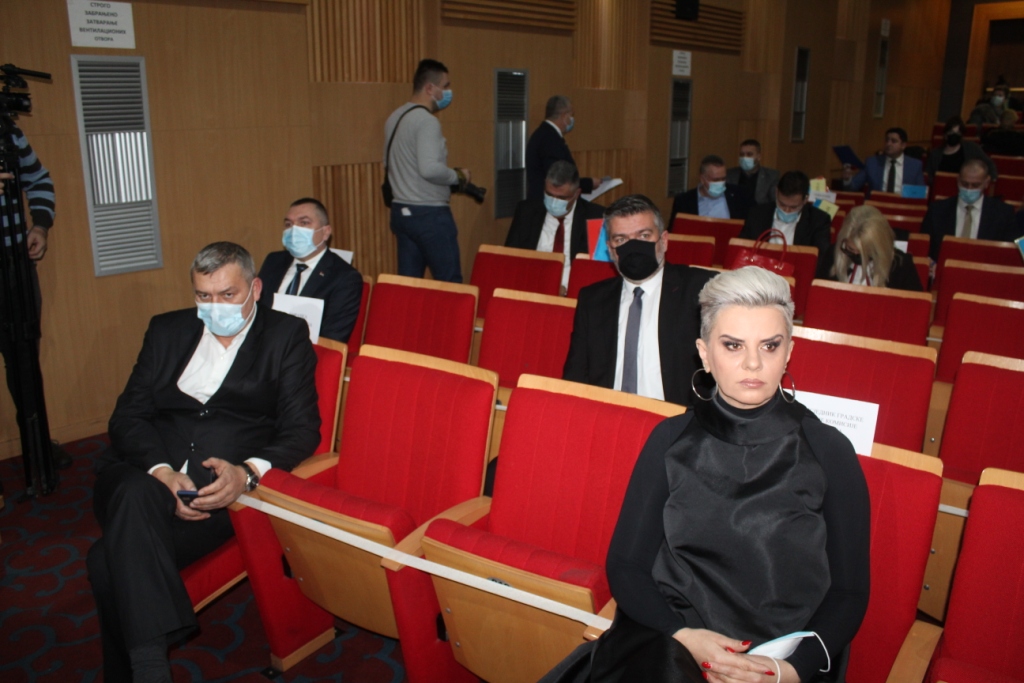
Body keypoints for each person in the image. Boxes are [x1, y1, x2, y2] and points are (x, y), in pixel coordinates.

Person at [543, 267, 870, 683]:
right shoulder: (670, 440)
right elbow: (626, 566)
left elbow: (849, 592)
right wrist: (684, 638)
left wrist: (788, 670)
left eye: (770, 346)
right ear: (704, 353)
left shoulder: (829, 450)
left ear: (789, 351)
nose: (753, 363)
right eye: (733, 345)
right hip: (671, 643)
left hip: (786, 658)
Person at [86, 242, 321, 683]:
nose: (215, 307)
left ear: (255, 288)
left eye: (228, 295)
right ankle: (153, 670)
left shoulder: (285, 335)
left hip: (215, 496)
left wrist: (246, 474)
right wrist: (162, 472)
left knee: (106, 562)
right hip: (141, 474)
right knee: (136, 492)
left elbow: (302, 429)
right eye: (203, 296)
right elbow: (127, 417)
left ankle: (137, 672)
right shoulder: (166, 330)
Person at [563, 194, 715, 406]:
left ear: (664, 240)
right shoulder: (593, 300)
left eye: (643, 236)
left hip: (679, 419)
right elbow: (576, 376)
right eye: (621, 240)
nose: (633, 247)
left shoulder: (701, 290)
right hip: (608, 415)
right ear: (610, 249)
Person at [0, 123, 56, 487]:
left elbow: (38, 180)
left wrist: (40, 226)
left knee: (24, 363)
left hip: (14, 265)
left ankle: (37, 452)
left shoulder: (7, 132)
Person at [384, 58, 470, 283]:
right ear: (430, 88)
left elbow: (389, 163)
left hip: (401, 211)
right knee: (450, 284)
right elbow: (429, 169)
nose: (448, 91)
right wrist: (458, 176)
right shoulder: (427, 121)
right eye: (445, 85)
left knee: (410, 286)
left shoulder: (395, 117)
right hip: (430, 215)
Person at [258, 197, 363, 343]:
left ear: (325, 232)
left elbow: (333, 337)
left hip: (307, 351)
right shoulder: (274, 261)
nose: (294, 230)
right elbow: (256, 311)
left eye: (304, 223)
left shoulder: (345, 277)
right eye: (288, 224)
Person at [505, 161, 604, 294]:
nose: (554, 202)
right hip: (531, 292)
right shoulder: (526, 212)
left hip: (577, 296)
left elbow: (599, 271)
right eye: (549, 195)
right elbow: (510, 259)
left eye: (562, 198)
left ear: (577, 193)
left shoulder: (596, 217)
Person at [921, 159, 1020, 261]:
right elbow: (924, 248)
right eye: (964, 184)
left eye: (975, 185)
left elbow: (1011, 254)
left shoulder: (1003, 213)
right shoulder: (937, 210)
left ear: (986, 182)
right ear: (958, 180)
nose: (969, 189)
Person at [816, 206, 922, 291]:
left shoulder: (901, 265)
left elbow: (914, 306)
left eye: (865, 252)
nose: (856, 255)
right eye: (850, 249)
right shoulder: (832, 254)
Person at [739, 170, 831, 259]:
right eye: (782, 204)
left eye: (793, 207)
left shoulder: (819, 220)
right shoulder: (757, 214)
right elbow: (741, 248)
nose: (786, 211)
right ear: (776, 193)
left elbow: (821, 258)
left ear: (805, 199)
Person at [525, 95, 595, 201]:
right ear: (564, 116)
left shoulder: (543, 134)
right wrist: (589, 184)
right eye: (571, 115)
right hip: (548, 202)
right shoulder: (550, 139)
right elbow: (558, 178)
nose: (572, 119)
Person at [842, 127, 925, 194]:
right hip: (876, 205)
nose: (888, 144)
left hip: (902, 205)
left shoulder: (915, 165)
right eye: (887, 140)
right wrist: (847, 180)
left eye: (893, 141)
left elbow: (920, 193)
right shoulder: (872, 163)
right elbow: (853, 187)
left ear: (903, 145)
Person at [671, 155, 753, 222]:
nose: (720, 183)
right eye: (715, 180)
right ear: (702, 179)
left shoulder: (740, 195)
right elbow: (673, 231)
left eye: (723, 179)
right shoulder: (684, 201)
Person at [925, 115, 997, 180]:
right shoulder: (935, 154)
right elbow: (929, 176)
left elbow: (989, 165)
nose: (954, 135)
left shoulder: (972, 148)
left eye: (958, 133)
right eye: (951, 132)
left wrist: (991, 179)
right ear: (945, 135)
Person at [726, 139, 779, 205]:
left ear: (759, 157)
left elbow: (774, 202)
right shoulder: (730, 174)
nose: (744, 157)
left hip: (759, 210)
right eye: (742, 154)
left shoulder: (771, 176)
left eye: (749, 154)